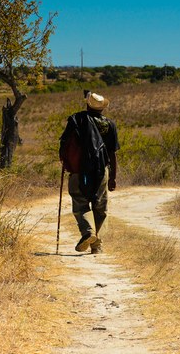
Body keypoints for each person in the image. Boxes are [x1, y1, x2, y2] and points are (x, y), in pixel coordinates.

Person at [59, 91, 119, 254]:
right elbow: (113, 153)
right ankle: (96, 245)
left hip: (79, 169)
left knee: (80, 202)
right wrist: (113, 177)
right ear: (102, 108)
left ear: (87, 104)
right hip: (101, 170)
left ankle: (88, 232)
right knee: (100, 206)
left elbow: (64, 143)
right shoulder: (110, 125)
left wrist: (66, 162)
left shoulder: (77, 120)